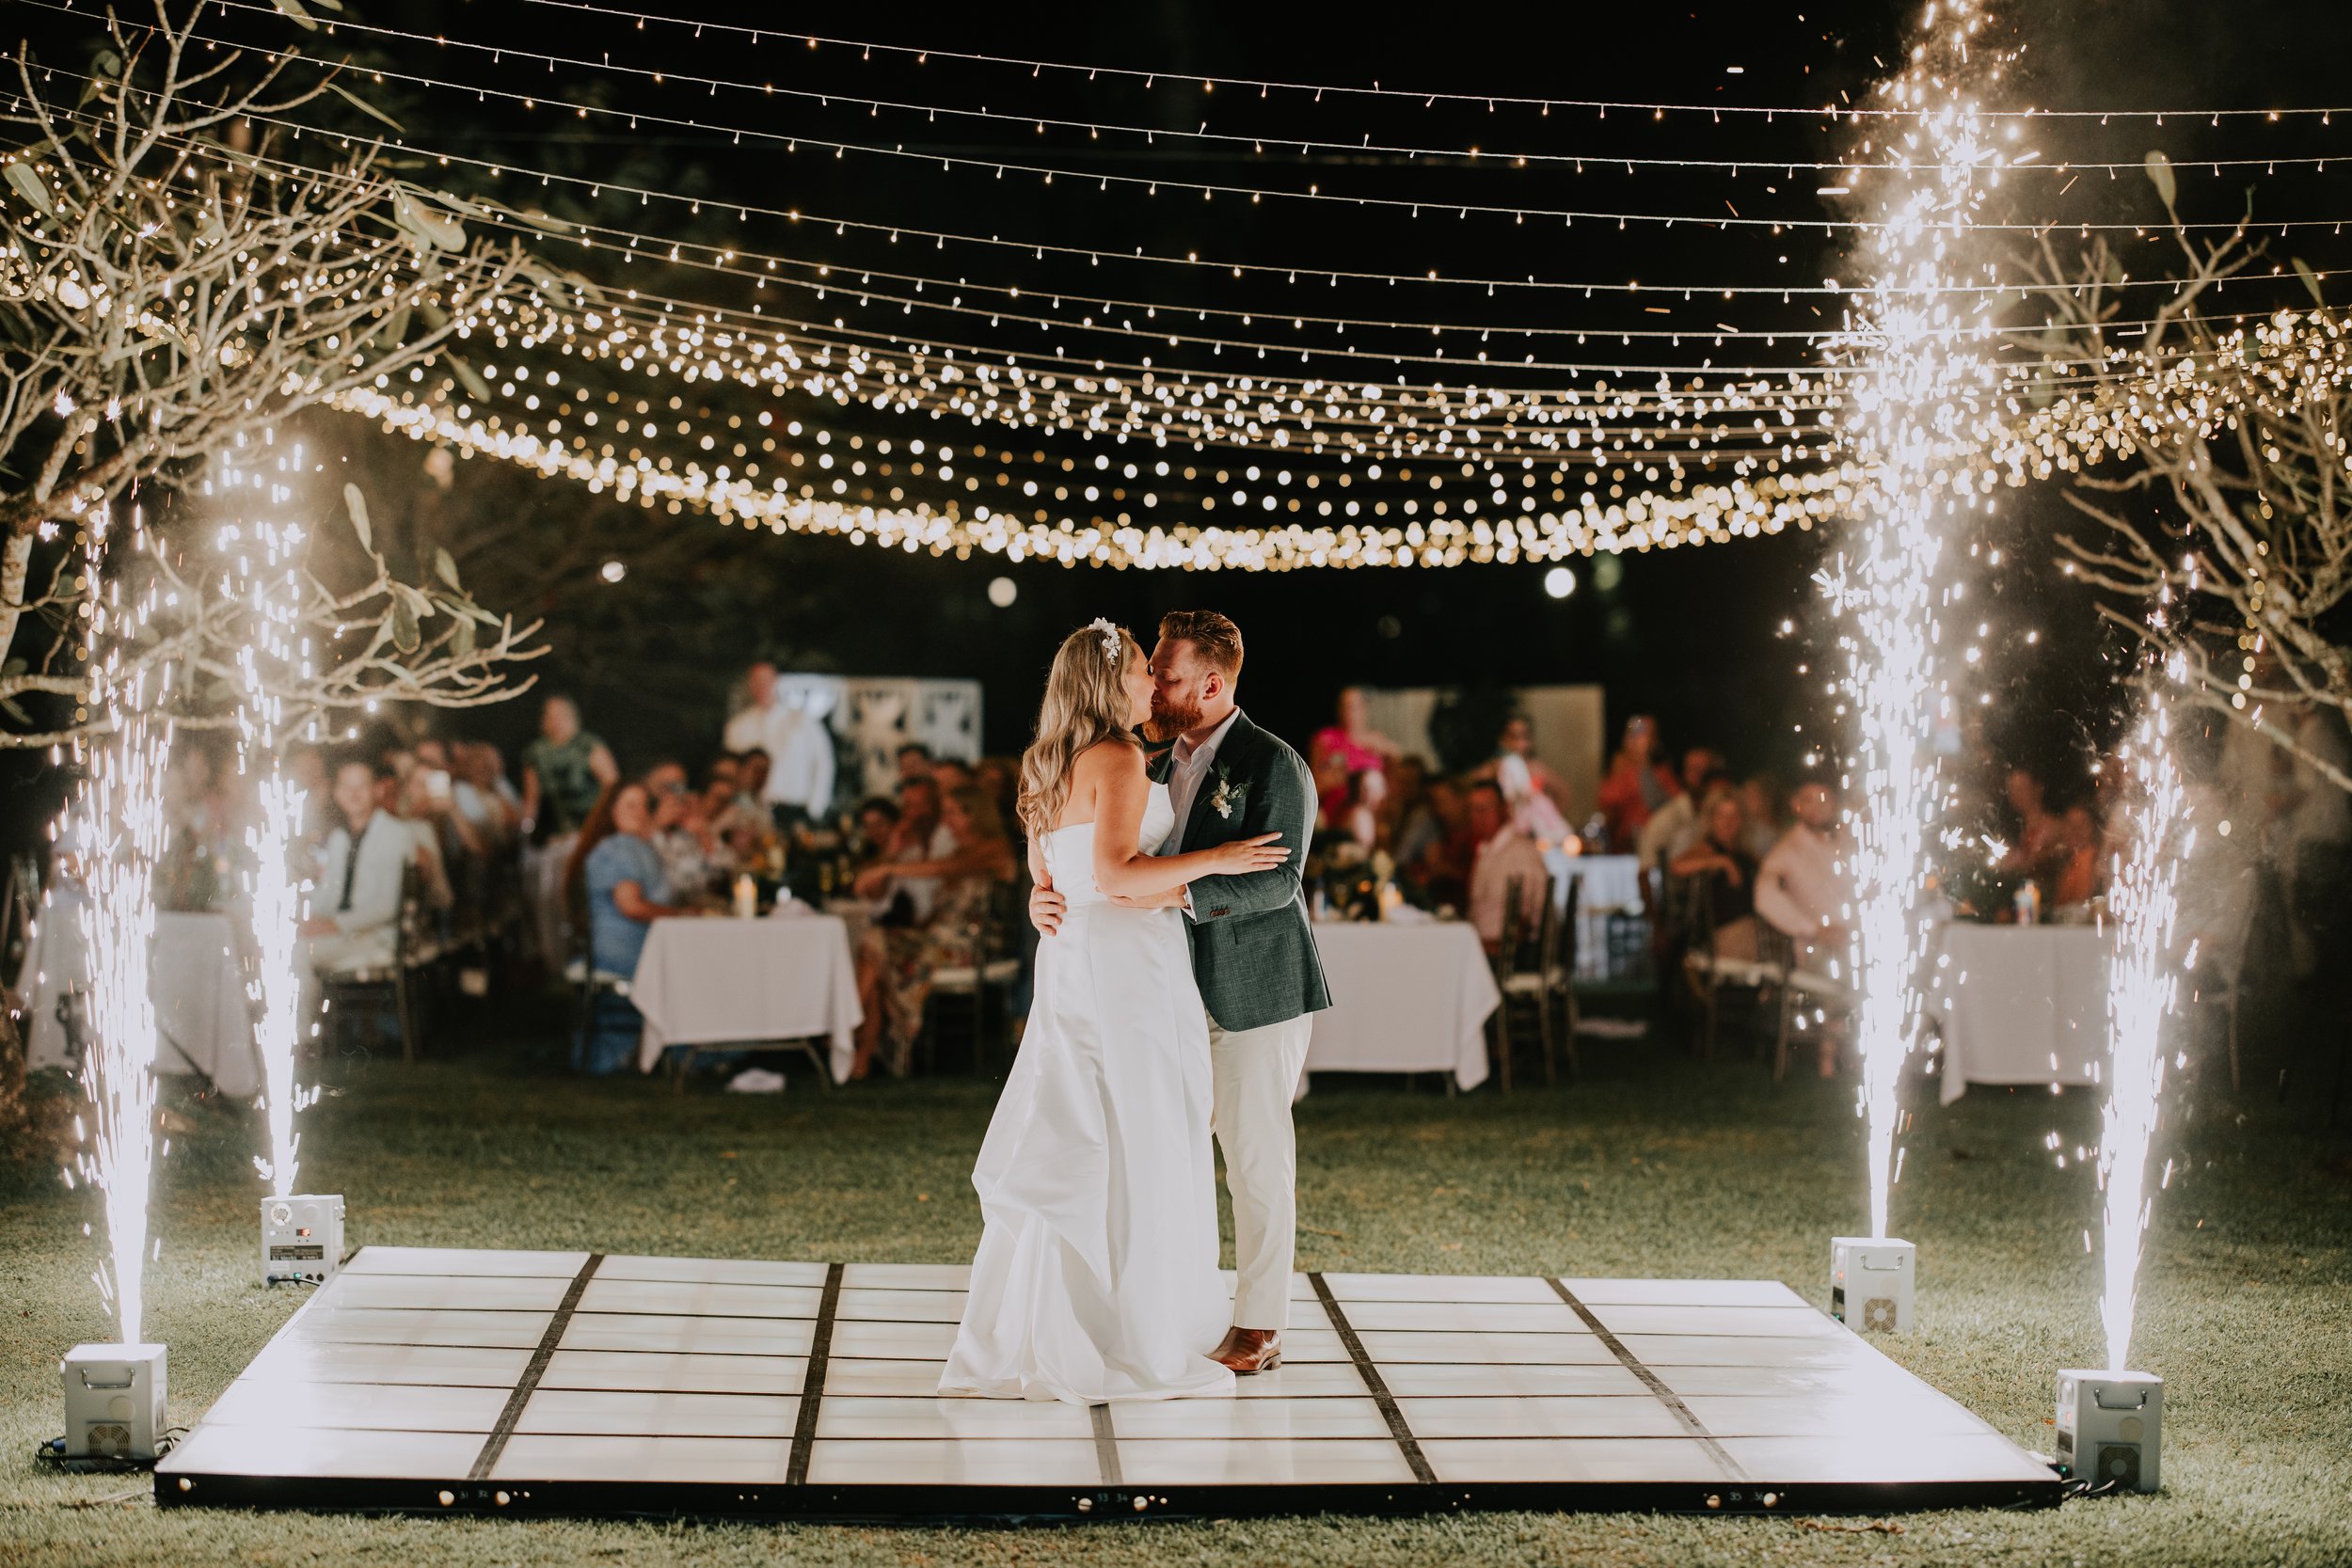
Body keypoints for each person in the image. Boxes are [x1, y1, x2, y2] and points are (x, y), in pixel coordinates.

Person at [947, 617, 1301, 1403]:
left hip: (1145, 971)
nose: (1153, 683)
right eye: (1146, 670)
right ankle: (1134, 1326)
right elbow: (1108, 872)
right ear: (1111, 682)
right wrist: (1210, 859)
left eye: (1163, 673)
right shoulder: (1122, 755)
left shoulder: (1056, 764)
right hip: (1130, 968)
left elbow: (1058, 867)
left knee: (1145, 1139)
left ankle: (1121, 1319)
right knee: (1135, 1136)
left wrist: (1059, 891)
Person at [849, 783, 1021, 1078]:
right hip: (941, 940)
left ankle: (849, 1030)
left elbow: (946, 868)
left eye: (953, 813)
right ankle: (860, 1056)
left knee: (875, 944)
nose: (946, 821)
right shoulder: (959, 851)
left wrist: (888, 869)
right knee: (875, 950)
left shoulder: (994, 849)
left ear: (974, 815)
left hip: (975, 946)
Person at [577, 782, 703, 1074]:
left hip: (647, 943)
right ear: (612, 812)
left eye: (644, 806)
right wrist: (681, 915)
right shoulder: (616, 849)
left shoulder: (642, 848)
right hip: (623, 947)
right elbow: (631, 906)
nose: (639, 813)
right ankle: (694, 1051)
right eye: (629, 805)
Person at [1756, 779, 1855, 1078]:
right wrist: (1813, 929)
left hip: (1856, 939)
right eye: (1809, 799)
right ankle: (1830, 1057)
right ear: (1796, 806)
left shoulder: (1850, 842)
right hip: (1815, 947)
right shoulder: (1787, 850)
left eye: (1824, 799)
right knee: (1845, 963)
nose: (1818, 806)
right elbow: (1765, 896)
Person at [520, 696, 618, 971]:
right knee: (548, 898)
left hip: (588, 835)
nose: (556, 720)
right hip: (553, 840)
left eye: (561, 714)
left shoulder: (590, 746)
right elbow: (532, 802)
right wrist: (524, 835)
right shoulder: (536, 752)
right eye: (550, 715)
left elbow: (612, 787)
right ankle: (557, 965)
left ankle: (588, 958)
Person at [298, 758, 412, 988]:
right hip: (344, 935)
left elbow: (388, 906)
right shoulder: (340, 839)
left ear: (376, 790)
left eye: (361, 786)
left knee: (297, 954)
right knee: (281, 944)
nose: (354, 794)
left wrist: (333, 925)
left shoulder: (396, 833)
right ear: (337, 794)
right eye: (347, 787)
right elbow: (329, 895)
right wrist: (306, 917)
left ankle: (303, 1021)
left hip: (377, 937)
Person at [724, 662, 837, 828]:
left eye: (766, 680)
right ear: (750, 685)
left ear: (776, 682)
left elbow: (824, 764)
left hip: (794, 808)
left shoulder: (803, 721)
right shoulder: (738, 726)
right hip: (752, 812)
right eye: (756, 681)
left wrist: (814, 809)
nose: (762, 686)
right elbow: (731, 770)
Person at [1670, 791, 1761, 961]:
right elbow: (1677, 867)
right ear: (1712, 820)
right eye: (1722, 816)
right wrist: (1722, 862)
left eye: (1734, 816)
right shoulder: (1708, 849)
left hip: (1752, 932)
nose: (1728, 823)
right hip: (1724, 936)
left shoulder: (1745, 855)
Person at [1464, 779, 1549, 957]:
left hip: (1507, 955)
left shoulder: (1520, 852)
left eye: (1484, 809)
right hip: (1480, 946)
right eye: (1473, 810)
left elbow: (1527, 919)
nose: (1478, 816)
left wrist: (1498, 951)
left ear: (1504, 809)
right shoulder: (1485, 851)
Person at [1309, 687, 1400, 824]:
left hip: (1376, 809)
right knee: (1360, 814)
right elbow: (1313, 785)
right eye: (1344, 706)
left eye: (1354, 707)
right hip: (1340, 808)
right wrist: (1347, 778)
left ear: (1364, 709)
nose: (1349, 712)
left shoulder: (1376, 742)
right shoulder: (1326, 739)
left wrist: (1392, 753)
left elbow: (1397, 778)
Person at [1595, 715, 1677, 851]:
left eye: (1642, 733)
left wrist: (1643, 764)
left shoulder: (1662, 773)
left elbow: (1670, 806)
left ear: (1654, 740)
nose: (1635, 739)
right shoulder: (1618, 772)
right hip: (1624, 847)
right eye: (1632, 732)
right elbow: (1606, 808)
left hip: (1657, 844)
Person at [1635, 747, 1724, 869]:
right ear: (1683, 774)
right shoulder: (1667, 818)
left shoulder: (1725, 817)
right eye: (1693, 770)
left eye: (1705, 771)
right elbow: (1645, 870)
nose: (1699, 777)